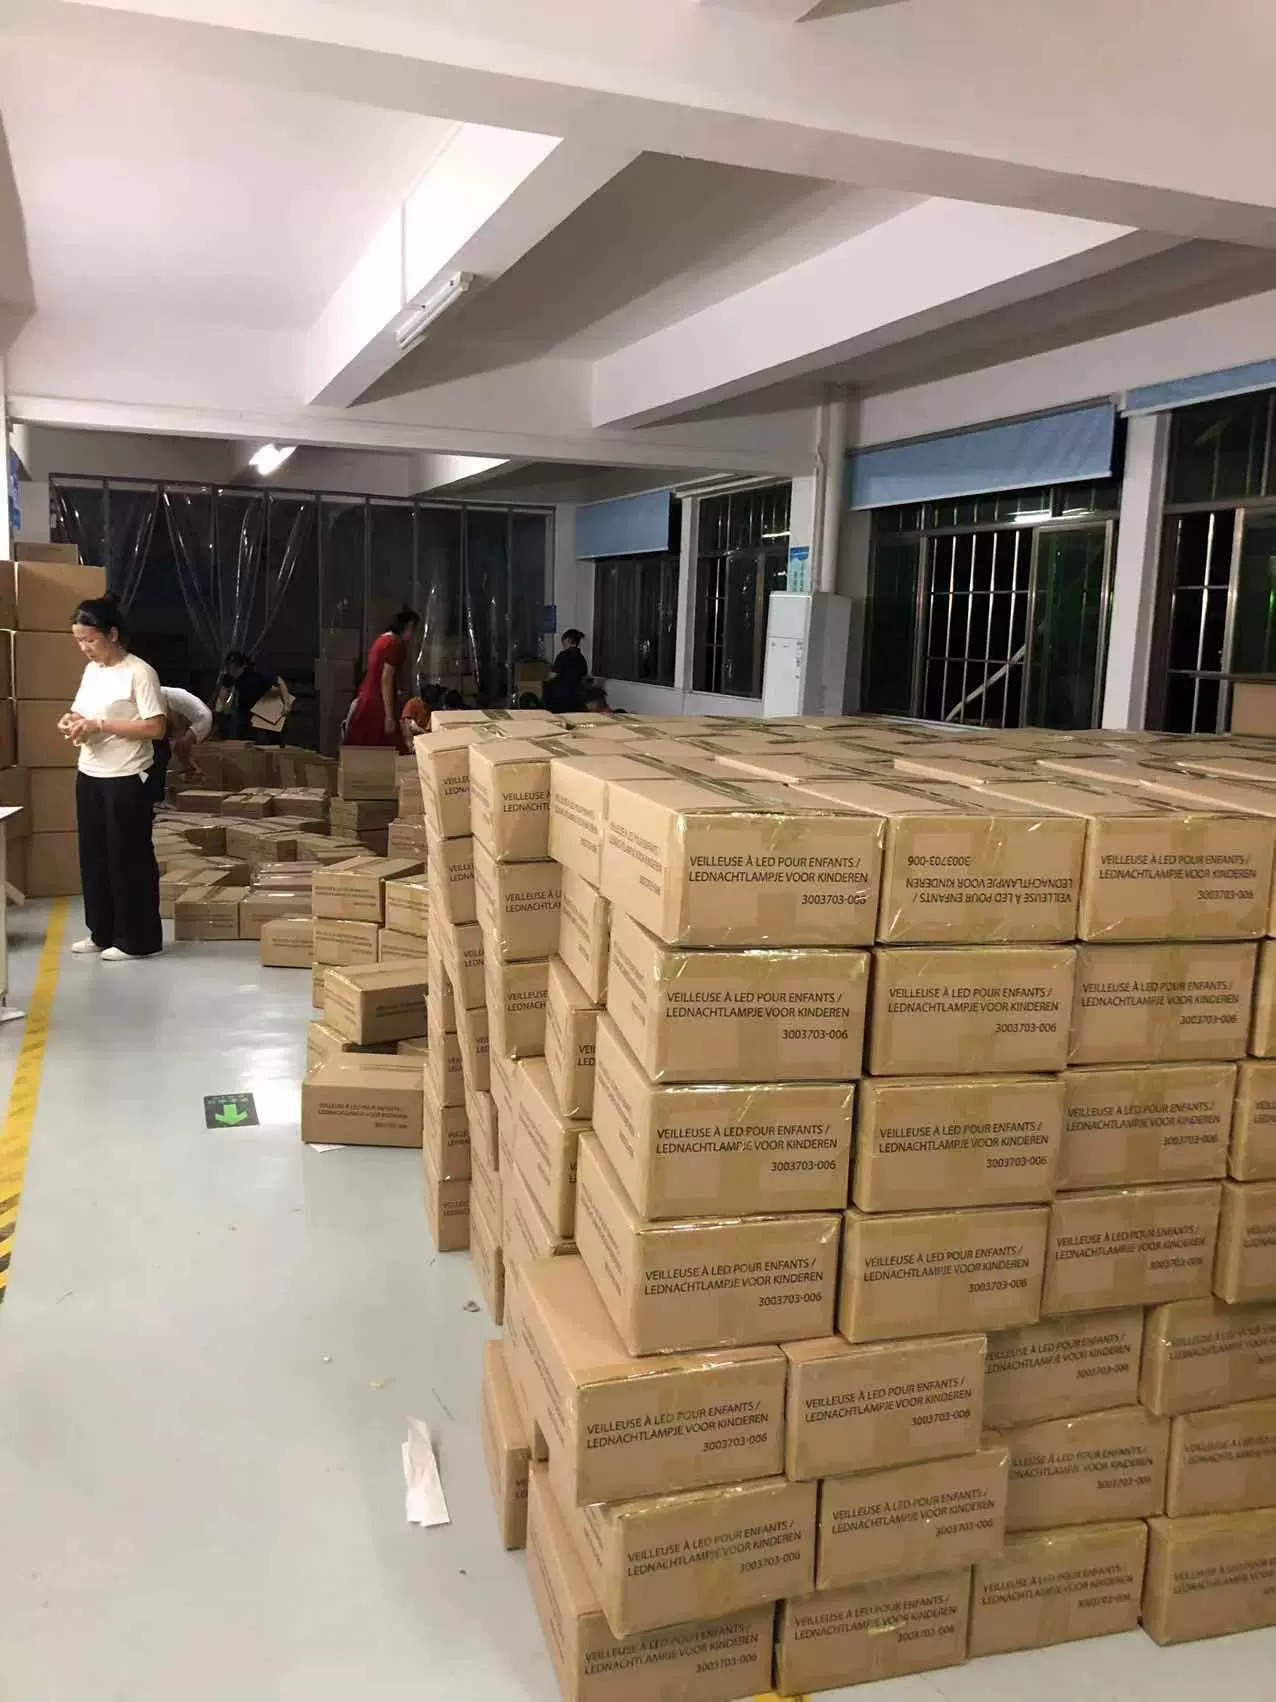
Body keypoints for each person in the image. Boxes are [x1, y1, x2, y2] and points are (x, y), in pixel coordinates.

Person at [60, 593, 166, 961]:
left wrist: (102, 724)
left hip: (127, 776)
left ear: (113, 634)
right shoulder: (92, 672)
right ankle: (101, 931)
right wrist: (72, 721)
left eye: (90, 640)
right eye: (78, 640)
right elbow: (81, 711)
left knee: (128, 858)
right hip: (90, 772)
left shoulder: (140, 672)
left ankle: (138, 939)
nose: (84, 648)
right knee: (94, 857)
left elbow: (155, 727)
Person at [343, 608, 419, 752]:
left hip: (366, 699)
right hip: (378, 704)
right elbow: (386, 679)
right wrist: (389, 716)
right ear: (408, 626)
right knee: (385, 748)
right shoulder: (394, 644)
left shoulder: (382, 640)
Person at [144, 685, 214, 811]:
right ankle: (156, 799)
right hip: (157, 700)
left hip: (156, 698)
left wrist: (188, 763)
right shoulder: (204, 722)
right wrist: (189, 765)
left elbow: (180, 743)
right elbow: (182, 744)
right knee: (161, 753)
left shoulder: (201, 716)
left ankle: (150, 796)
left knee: (158, 752)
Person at [215, 651, 275, 741]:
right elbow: (221, 700)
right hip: (242, 714)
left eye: (235, 669)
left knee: (258, 736)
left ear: (242, 666)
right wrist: (218, 716)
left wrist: (286, 704)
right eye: (230, 669)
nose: (232, 672)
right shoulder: (229, 678)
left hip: (258, 713)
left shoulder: (254, 678)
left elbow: (278, 681)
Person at [544, 629, 589, 713]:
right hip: (577, 697)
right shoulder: (582, 658)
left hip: (560, 697)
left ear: (567, 639)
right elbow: (584, 677)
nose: (562, 644)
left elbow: (552, 675)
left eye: (563, 641)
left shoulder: (563, 656)